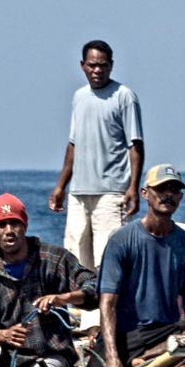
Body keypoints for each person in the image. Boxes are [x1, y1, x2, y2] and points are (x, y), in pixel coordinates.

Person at [0, 193, 97, 367]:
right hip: (11, 365)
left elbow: (94, 287)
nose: (9, 230)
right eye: (2, 225)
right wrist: (3, 335)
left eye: (15, 223)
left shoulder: (54, 258)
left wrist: (64, 298)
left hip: (53, 357)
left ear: (24, 226)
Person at [97, 163, 185, 367]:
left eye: (174, 190)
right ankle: (142, 357)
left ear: (181, 197)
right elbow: (107, 303)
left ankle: (149, 357)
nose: (168, 195)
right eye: (161, 189)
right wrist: (112, 357)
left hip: (166, 334)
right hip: (128, 335)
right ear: (145, 194)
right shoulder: (122, 239)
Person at [48, 40, 146, 268]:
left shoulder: (124, 96)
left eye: (102, 65)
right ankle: (81, 303)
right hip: (79, 193)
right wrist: (61, 186)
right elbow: (73, 144)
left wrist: (133, 187)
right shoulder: (79, 97)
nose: (97, 70)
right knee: (76, 260)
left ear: (111, 66)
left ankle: (111, 304)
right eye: (92, 65)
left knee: (109, 259)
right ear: (82, 66)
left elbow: (136, 145)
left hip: (112, 193)